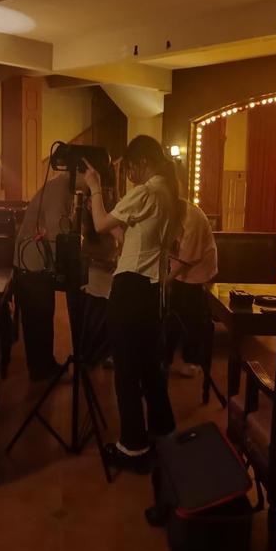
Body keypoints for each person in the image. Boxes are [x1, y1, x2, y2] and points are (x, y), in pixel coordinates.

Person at [84, 135, 183, 473]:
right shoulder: (168, 194)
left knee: (127, 372)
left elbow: (99, 224)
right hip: (150, 292)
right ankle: (163, 431)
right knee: (149, 368)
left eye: (130, 168)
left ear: (143, 162)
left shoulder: (146, 192)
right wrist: (113, 224)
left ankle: (134, 448)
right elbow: (134, 239)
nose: (129, 175)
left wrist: (94, 188)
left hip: (130, 290)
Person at [14, 171, 83, 381]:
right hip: (32, 262)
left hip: (34, 260)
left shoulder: (63, 186)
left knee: (42, 316)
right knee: (39, 318)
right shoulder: (60, 188)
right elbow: (56, 233)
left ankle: (45, 366)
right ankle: (41, 370)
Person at [164, 164, 218, 378]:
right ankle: (166, 358)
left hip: (198, 274)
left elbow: (187, 258)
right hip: (179, 271)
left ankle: (191, 361)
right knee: (171, 314)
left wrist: (165, 281)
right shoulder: (169, 212)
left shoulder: (192, 217)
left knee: (190, 316)